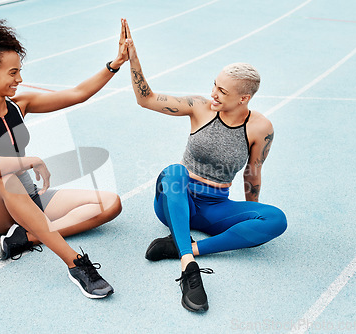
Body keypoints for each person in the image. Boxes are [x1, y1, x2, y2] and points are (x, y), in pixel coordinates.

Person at [123, 19, 287, 311]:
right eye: (215, 84)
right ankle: (189, 267)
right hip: (176, 202)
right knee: (174, 172)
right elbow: (145, 99)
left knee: (276, 219)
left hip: (215, 209)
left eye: (222, 91)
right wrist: (133, 58)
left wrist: (252, 218)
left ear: (243, 98)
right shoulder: (198, 107)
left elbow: (253, 174)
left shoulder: (260, 127)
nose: (214, 92)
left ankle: (184, 246)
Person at [0, 18, 128, 299]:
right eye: (13, 73)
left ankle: (25, 237)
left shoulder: (19, 105)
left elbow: (78, 94)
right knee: (6, 178)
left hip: (29, 196)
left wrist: (116, 62)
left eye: (20, 71)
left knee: (110, 204)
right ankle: (76, 264)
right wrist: (31, 160)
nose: (20, 79)